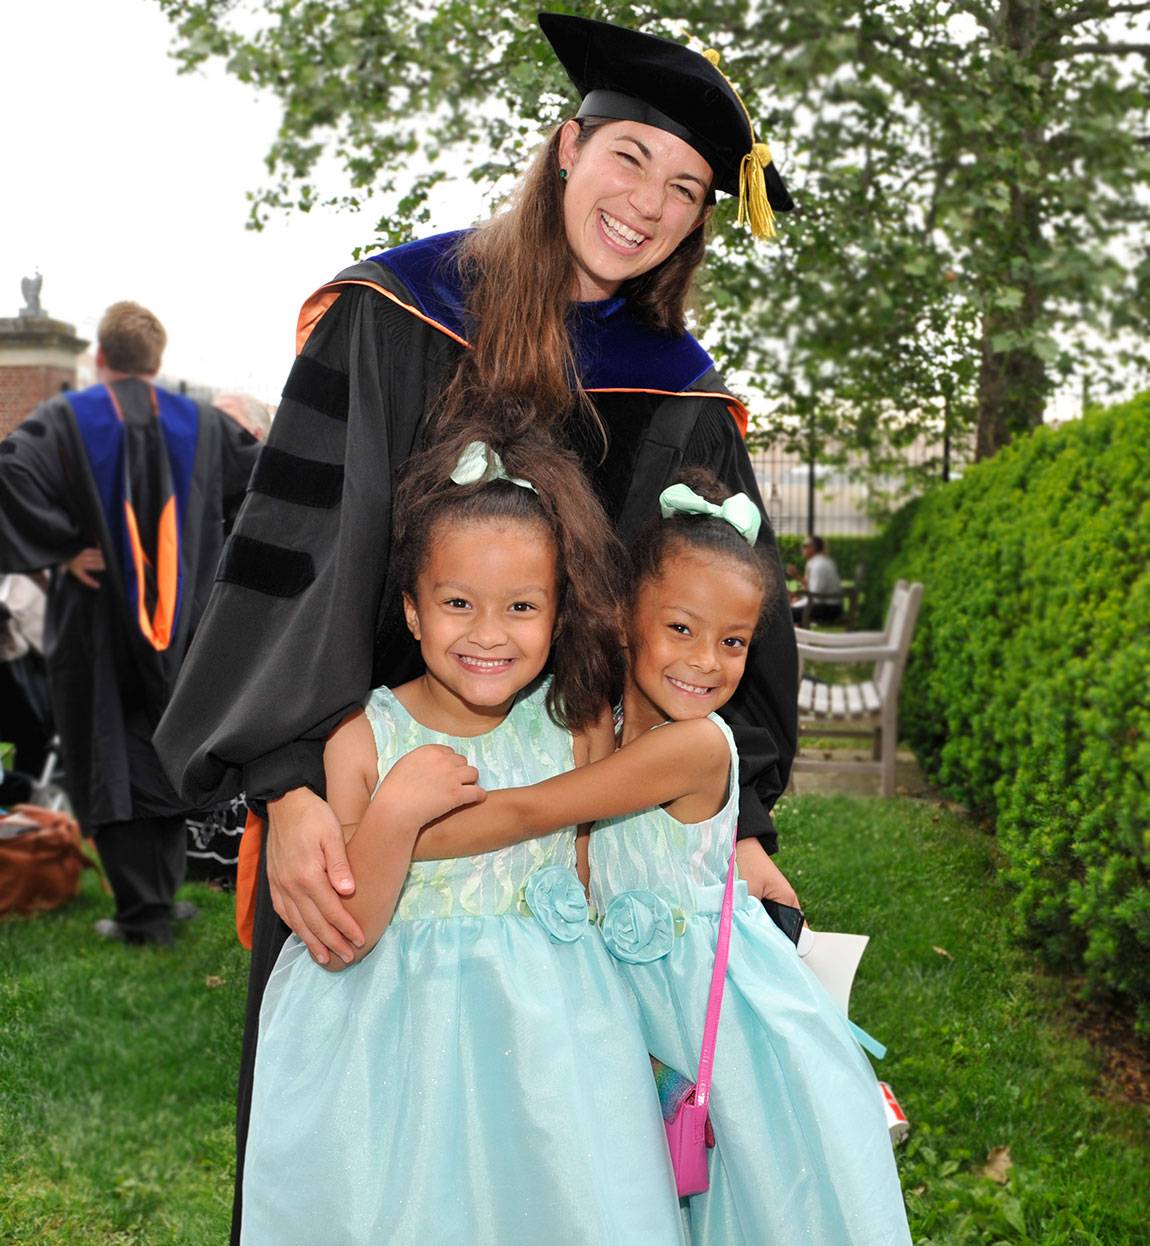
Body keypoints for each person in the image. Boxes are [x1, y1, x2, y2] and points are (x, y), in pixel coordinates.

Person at [153, 13, 800, 1233]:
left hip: (581, 821)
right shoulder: (399, 311)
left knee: (560, 1159)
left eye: (687, 188)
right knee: (366, 1164)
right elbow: (302, 560)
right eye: (627, 159)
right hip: (376, 793)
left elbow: (712, 608)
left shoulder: (677, 379)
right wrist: (290, 784)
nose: (647, 204)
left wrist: (741, 820)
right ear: (567, 145)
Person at [413, 473, 912, 1244]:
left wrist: (399, 830)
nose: (706, 661)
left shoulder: (695, 746)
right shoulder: (603, 723)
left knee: (752, 1205)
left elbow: (528, 810)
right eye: (681, 628)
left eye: (733, 641)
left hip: (721, 1032)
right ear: (622, 621)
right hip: (634, 1015)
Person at [240, 427, 685, 1245]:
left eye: (522, 607)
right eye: (457, 604)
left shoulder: (574, 725)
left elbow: (591, 881)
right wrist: (398, 811)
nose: (489, 634)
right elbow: (346, 932)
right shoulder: (362, 737)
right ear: (411, 609)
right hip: (400, 1053)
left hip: (552, 1050)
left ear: (557, 614)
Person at [0, 301, 258, 945]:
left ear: (103, 359)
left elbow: (7, 470)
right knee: (168, 748)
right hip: (186, 621)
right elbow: (262, 485)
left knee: (106, 753)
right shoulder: (200, 422)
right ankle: (159, 902)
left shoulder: (65, 419)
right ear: (157, 361)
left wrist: (61, 545)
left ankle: (142, 911)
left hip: (97, 624)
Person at [789, 534, 844, 625]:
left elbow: (815, 596)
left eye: (805, 546)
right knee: (787, 611)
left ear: (813, 548)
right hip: (830, 606)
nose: (802, 549)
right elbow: (813, 590)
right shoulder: (818, 562)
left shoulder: (818, 565)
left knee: (784, 613)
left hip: (828, 609)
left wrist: (795, 603)